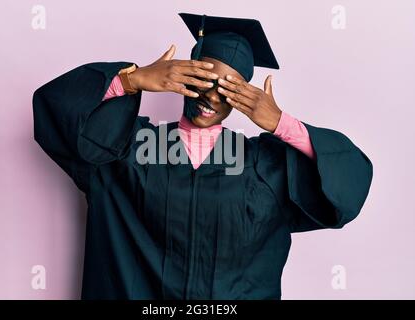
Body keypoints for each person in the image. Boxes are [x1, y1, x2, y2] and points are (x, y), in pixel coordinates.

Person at [32, 13, 373, 299]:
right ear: (184, 75)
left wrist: (282, 123)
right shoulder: (128, 150)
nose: (211, 96)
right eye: (204, 78)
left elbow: (347, 187)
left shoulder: (265, 167)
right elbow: (56, 112)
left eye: (228, 89)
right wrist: (132, 79)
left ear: (242, 98)